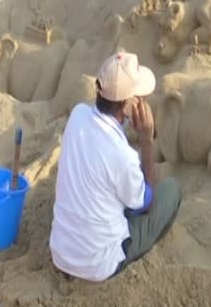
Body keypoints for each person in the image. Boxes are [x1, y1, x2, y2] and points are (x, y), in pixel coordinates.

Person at [50, 52, 182, 282]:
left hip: (61, 253)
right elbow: (146, 204)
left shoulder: (78, 114)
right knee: (171, 190)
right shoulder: (123, 156)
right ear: (129, 105)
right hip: (98, 265)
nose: (143, 101)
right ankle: (142, 251)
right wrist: (146, 140)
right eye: (139, 97)